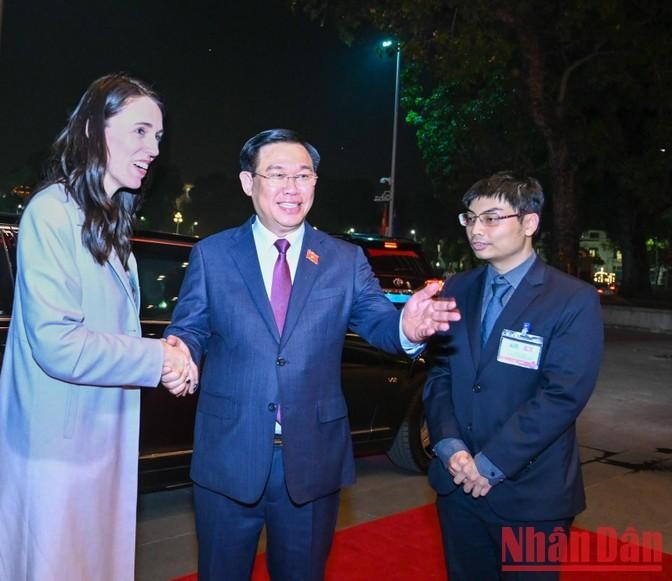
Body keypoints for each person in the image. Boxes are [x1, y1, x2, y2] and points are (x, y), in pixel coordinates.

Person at [164, 128, 460, 580]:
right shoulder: (214, 254)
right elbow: (190, 326)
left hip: (312, 459)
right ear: (249, 182)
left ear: (315, 184)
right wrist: (180, 350)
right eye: (277, 174)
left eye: (303, 176)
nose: (291, 187)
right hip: (229, 454)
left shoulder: (344, 259)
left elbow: (380, 322)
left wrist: (408, 327)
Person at [0, 74, 197, 581]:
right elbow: (59, 344)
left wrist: (168, 352)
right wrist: (158, 358)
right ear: (96, 130)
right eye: (140, 131)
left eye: (158, 136)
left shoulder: (109, 219)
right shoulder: (52, 212)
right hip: (59, 451)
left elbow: (113, 329)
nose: (153, 149)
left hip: (98, 440)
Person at [423, 171, 604, 580]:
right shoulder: (457, 287)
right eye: (470, 218)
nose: (476, 229)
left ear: (529, 223)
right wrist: (450, 445)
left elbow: (562, 395)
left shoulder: (571, 299)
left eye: (491, 218)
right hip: (457, 485)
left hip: (532, 494)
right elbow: (439, 375)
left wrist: (489, 464)